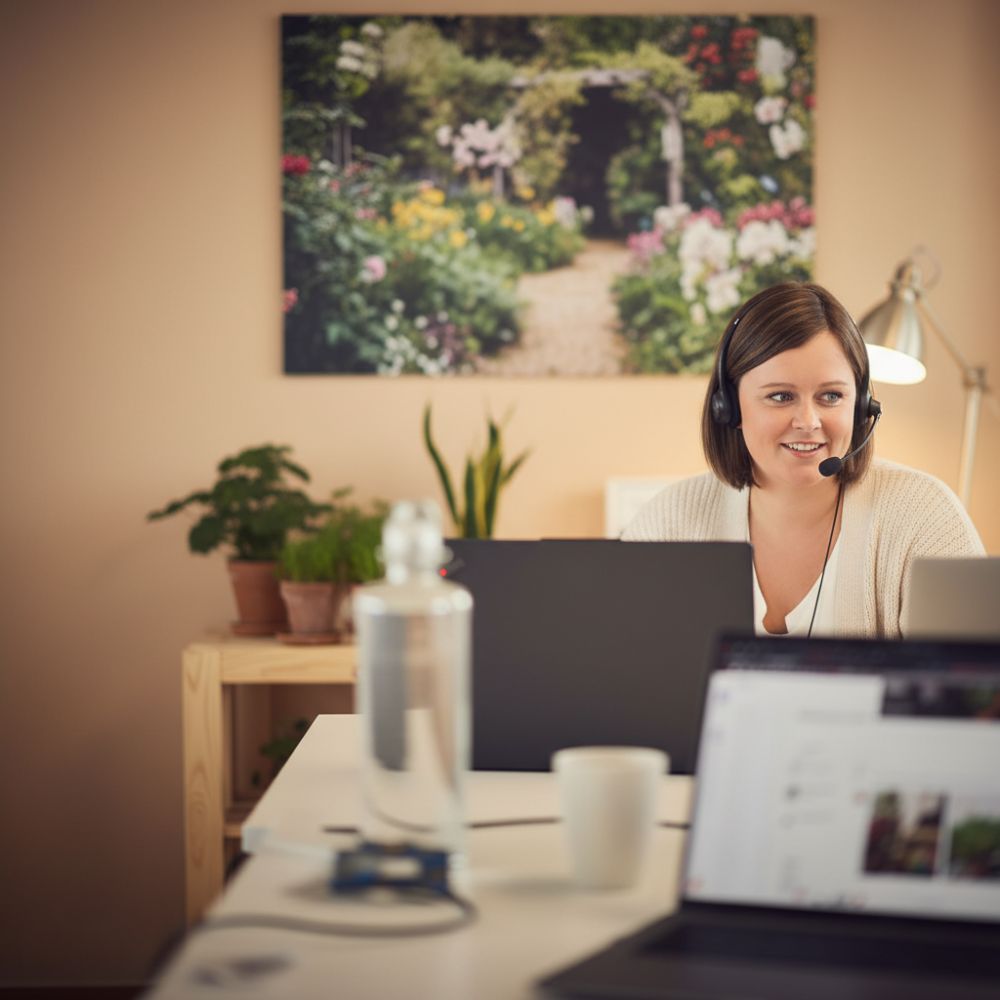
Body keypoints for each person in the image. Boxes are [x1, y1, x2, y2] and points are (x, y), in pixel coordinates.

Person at [622, 282, 984, 638]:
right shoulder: (669, 523)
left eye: (830, 396)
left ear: (861, 407)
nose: (808, 422)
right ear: (728, 407)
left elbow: (975, 685)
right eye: (780, 396)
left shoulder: (924, 517)